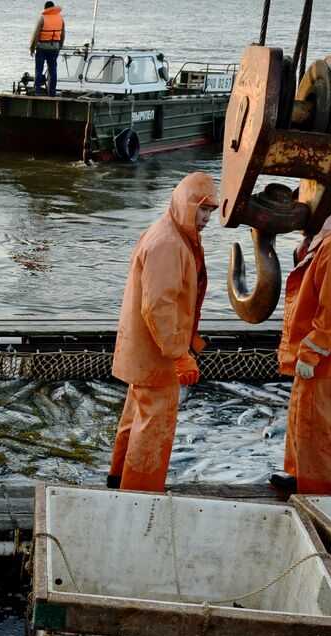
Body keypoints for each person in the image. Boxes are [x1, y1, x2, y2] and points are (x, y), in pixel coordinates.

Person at [107, 172, 219, 492]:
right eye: (201, 209)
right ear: (186, 205)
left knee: (135, 418)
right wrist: (179, 355)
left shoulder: (171, 234)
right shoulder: (168, 243)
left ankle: (118, 483)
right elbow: (157, 307)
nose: (206, 218)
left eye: (210, 211)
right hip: (156, 358)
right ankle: (140, 495)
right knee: (154, 429)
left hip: (142, 354)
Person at [271, 210, 331, 494]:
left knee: (322, 428)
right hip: (319, 354)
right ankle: (302, 477)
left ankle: (323, 492)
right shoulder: (324, 241)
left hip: (329, 357)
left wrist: (313, 352)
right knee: (304, 418)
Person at [29, 1, 65, 97]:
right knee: (53, 71)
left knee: (39, 70)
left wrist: (32, 47)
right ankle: (52, 93)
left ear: (45, 8)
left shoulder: (42, 18)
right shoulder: (60, 19)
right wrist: (59, 47)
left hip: (42, 48)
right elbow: (63, 35)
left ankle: (37, 92)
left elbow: (35, 34)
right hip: (55, 49)